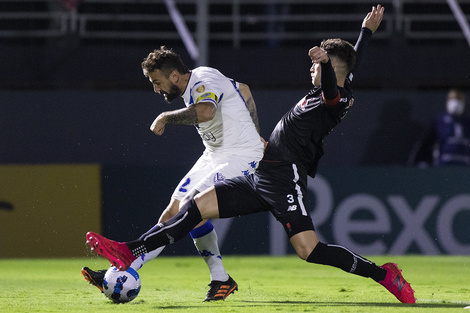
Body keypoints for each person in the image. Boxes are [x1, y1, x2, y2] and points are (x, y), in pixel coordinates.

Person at [85, 5, 415, 304]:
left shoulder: (335, 99)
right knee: (194, 209)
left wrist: (325, 63)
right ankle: (131, 251)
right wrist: (365, 33)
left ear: (332, 70)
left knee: (308, 250)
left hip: (286, 175)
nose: (311, 71)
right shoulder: (341, 82)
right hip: (262, 171)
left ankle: (383, 274)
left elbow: (332, 85)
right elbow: (350, 62)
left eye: (316, 67)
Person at [81, 46, 265, 302]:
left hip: (241, 155)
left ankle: (129, 258)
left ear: (175, 76)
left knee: (194, 208)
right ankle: (216, 278)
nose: (156, 89)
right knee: (173, 211)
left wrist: (166, 117)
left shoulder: (203, 80)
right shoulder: (201, 78)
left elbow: (206, 111)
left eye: (157, 82)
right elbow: (242, 88)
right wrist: (256, 130)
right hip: (215, 154)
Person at [409, 88, 470, 167]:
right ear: (447, 102)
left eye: (459, 99)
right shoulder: (439, 122)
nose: (456, 103)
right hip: (443, 168)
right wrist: (422, 161)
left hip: (463, 168)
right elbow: (426, 143)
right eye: (453, 99)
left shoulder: (467, 123)